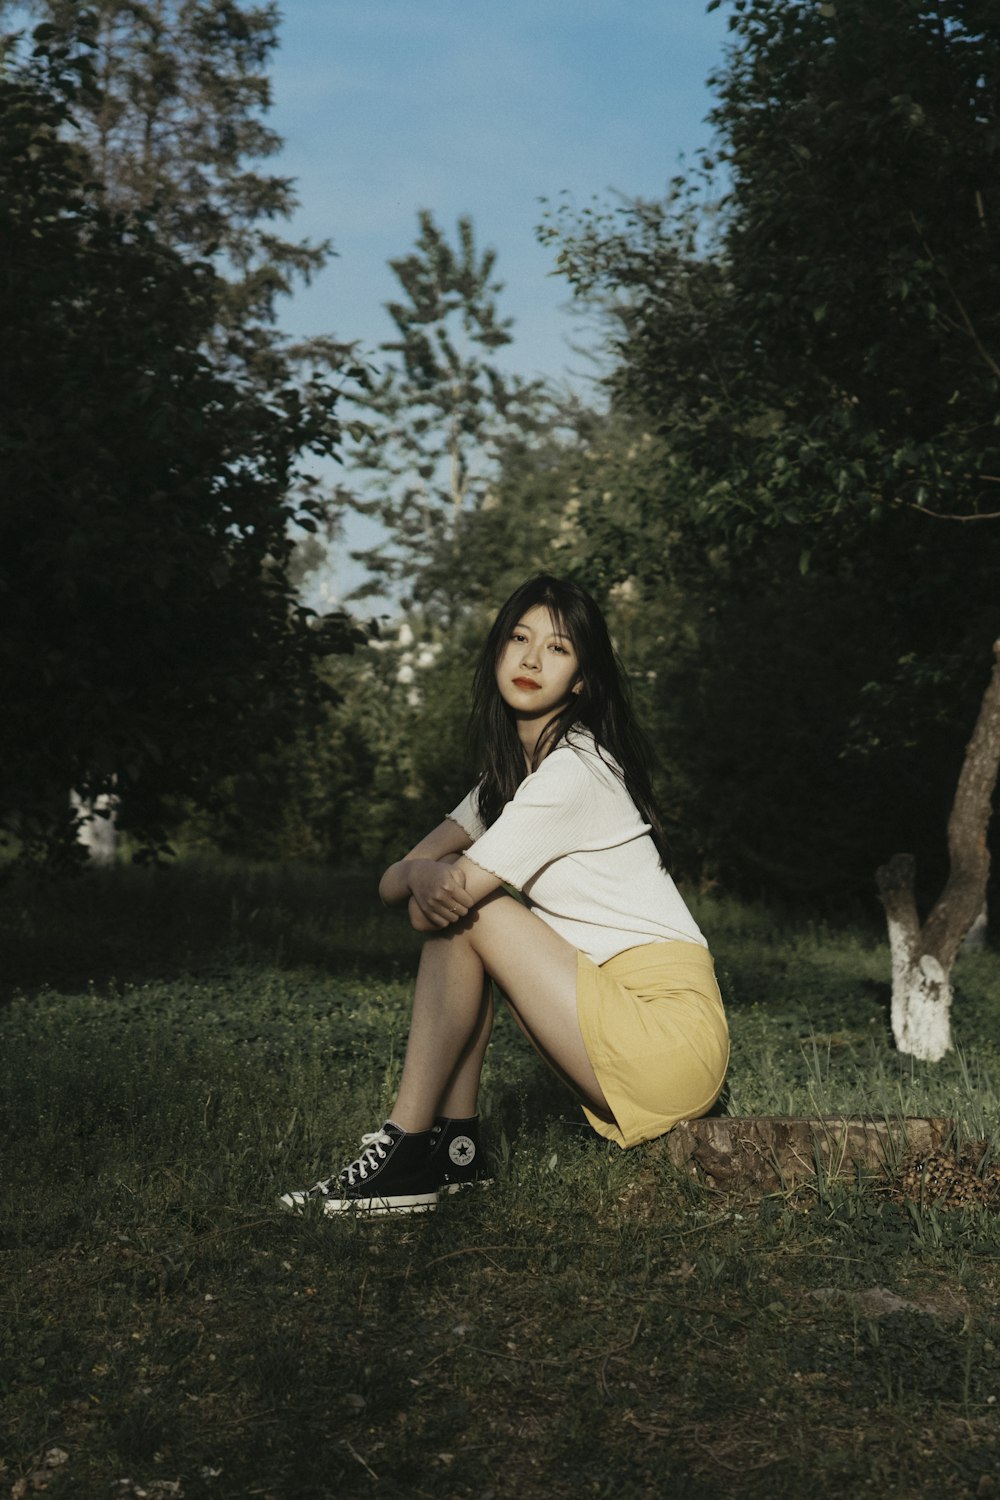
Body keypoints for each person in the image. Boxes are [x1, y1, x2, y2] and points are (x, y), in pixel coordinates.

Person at [281, 575, 728, 1216]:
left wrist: (427, 877)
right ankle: (457, 1149)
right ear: (497, 650)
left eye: (557, 648)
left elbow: (430, 901)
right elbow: (395, 881)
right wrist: (418, 872)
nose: (530, 659)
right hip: (621, 1012)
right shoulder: (508, 781)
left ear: (580, 681)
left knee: (472, 912)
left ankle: (406, 1147)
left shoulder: (573, 771)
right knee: (467, 915)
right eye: (519, 638)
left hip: (669, 1034)